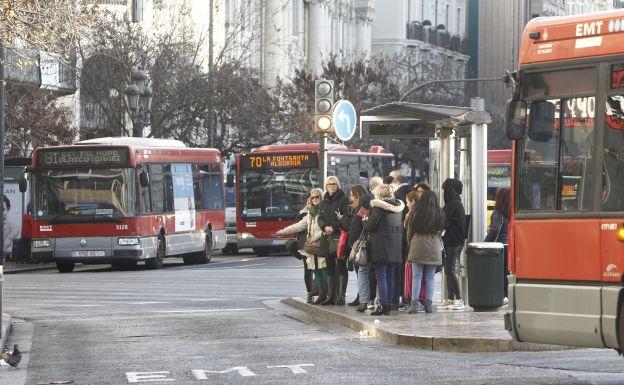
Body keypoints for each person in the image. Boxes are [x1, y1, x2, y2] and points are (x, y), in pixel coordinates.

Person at [276, 188, 327, 304]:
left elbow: (330, 226)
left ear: (321, 198)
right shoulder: (310, 212)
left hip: (322, 244)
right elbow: (299, 225)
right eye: (312, 197)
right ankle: (322, 295)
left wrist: (317, 236)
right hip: (311, 246)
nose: (314, 199)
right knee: (316, 270)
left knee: (324, 270)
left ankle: (327, 294)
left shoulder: (325, 210)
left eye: (317, 197)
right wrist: (283, 231)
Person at [363, 184, 405, 315]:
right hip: (395, 247)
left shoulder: (378, 208)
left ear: (379, 195)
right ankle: (391, 302)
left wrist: (365, 220)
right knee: (390, 275)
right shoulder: (398, 208)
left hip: (380, 246)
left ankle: (384, 305)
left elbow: (370, 226)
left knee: (381, 276)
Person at [407, 190, 446, 313]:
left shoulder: (415, 213)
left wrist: (411, 245)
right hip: (433, 248)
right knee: (430, 278)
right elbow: (441, 231)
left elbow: (409, 232)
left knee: (416, 277)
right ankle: (428, 304)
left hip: (417, 246)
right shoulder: (439, 213)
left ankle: (414, 304)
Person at [317, 176, 349, 305]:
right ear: (326, 186)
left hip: (339, 237)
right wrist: (324, 226)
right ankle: (330, 295)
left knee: (341, 266)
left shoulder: (343, 199)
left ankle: (341, 296)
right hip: (326, 237)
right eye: (329, 184)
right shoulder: (324, 200)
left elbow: (345, 217)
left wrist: (333, 227)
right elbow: (320, 217)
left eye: (334, 184)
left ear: (338, 185)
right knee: (329, 266)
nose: (331, 186)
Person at [338, 185, 368, 311]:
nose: (350, 198)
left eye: (352, 195)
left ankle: (363, 298)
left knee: (361, 272)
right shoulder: (352, 208)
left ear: (357, 196)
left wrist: (341, 219)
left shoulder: (359, 209)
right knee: (359, 272)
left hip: (358, 243)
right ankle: (361, 296)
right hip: (355, 242)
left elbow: (352, 226)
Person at [440, 178, 467, 311]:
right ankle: (451, 298)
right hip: (455, 241)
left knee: (450, 269)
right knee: (449, 269)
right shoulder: (456, 203)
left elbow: (443, 220)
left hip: (453, 241)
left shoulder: (453, 204)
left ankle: (458, 298)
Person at [485, 187, 510, 301]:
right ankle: (508, 295)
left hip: (501, 247)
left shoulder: (498, 212)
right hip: (510, 246)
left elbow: (494, 230)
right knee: (507, 273)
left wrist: (485, 244)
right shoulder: (511, 212)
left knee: (501, 273)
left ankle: (503, 295)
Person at [391, 175, 412, 309]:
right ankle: (407, 297)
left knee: (397, 270)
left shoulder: (397, 195)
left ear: (397, 183)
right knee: (409, 270)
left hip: (398, 239)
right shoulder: (414, 191)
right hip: (410, 239)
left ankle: (397, 298)